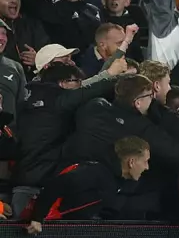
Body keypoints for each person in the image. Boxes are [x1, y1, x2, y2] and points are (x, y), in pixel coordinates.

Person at [12, 60, 125, 218]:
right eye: (76, 81)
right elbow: (90, 91)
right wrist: (117, 77)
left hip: (24, 180)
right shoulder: (57, 101)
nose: (80, 85)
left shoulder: (30, 100)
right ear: (63, 83)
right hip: (42, 185)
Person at [26, 136, 152, 234]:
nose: (147, 167)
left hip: (66, 231)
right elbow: (56, 184)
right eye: (145, 161)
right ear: (131, 162)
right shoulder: (95, 173)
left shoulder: (118, 180)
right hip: (47, 228)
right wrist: (38, 218)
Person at [0, 0, 49, 76]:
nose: (13, 1)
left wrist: (38, 59)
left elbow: (50, 54)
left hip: (33, 83)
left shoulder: (32, 25)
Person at [0, 19, 27, 127]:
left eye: (4, 33)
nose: (1, 38)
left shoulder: (15, 67)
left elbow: (23, 104)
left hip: (9, 137)